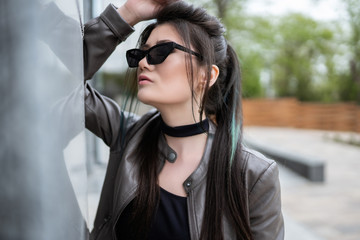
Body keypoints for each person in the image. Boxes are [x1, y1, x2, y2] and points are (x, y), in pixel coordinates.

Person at [83, 0, 284, 239]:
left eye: (160, 52)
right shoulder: (127, 134)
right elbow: (60, 88)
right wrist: (128, 14)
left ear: (206, 75)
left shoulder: (253, 175)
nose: (144, 63)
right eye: (141, 54)